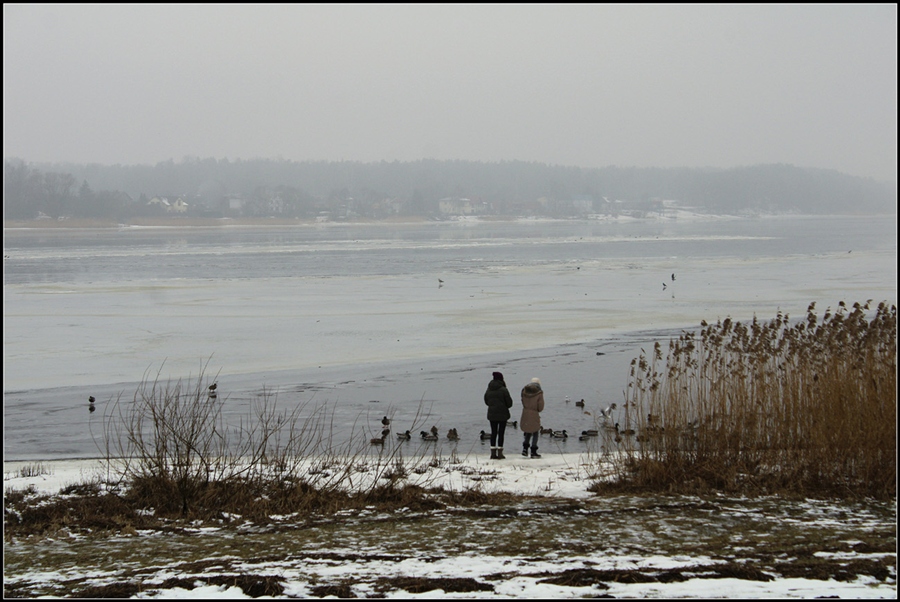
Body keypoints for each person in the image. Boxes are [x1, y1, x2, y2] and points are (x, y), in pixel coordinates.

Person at [484, 371, 513, 460]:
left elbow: (486, 401)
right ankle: (500, 453)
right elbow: (509, 403)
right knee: (501, 433)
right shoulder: (504, 389)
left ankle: (493, 453)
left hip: (492, 414)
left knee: (493, 433)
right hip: (502, 414)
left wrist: (492, 405)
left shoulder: (489, 389)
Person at [520, 377, 545, 458]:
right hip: (534, 413)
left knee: (528, 430)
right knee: (535, 431)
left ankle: (525, 449)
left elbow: (522, 401)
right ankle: (533, 451)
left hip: (525, 412)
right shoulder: (539, 393)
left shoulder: (524, 391)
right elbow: (540, 407)